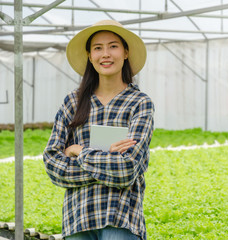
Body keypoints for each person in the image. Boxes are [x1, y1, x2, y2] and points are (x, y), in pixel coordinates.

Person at [43, 20, 154, 240]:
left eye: (113, 46)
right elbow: (53, 164)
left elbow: (127, 169)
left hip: (121, 220)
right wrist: (108, 160)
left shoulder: (139, 103)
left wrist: (79, 151)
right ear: (89, 55)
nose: (106, 54)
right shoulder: (72, 102)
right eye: (98, 48)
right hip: (78, 220)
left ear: (125, 53)